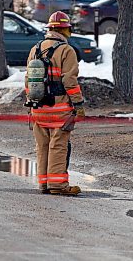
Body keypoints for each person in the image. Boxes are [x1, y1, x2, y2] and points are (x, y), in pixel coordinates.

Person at [25, 11, 85, 196]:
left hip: (38, 108)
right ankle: (58, 185)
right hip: (59, 110)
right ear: (65, 30)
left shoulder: (35, 48)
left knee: (42, 146)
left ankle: (43, 183)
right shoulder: (66, 51)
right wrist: (78, 104)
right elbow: (70, 82)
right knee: (58, 146)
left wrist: (31, 105)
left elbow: (28, 80)